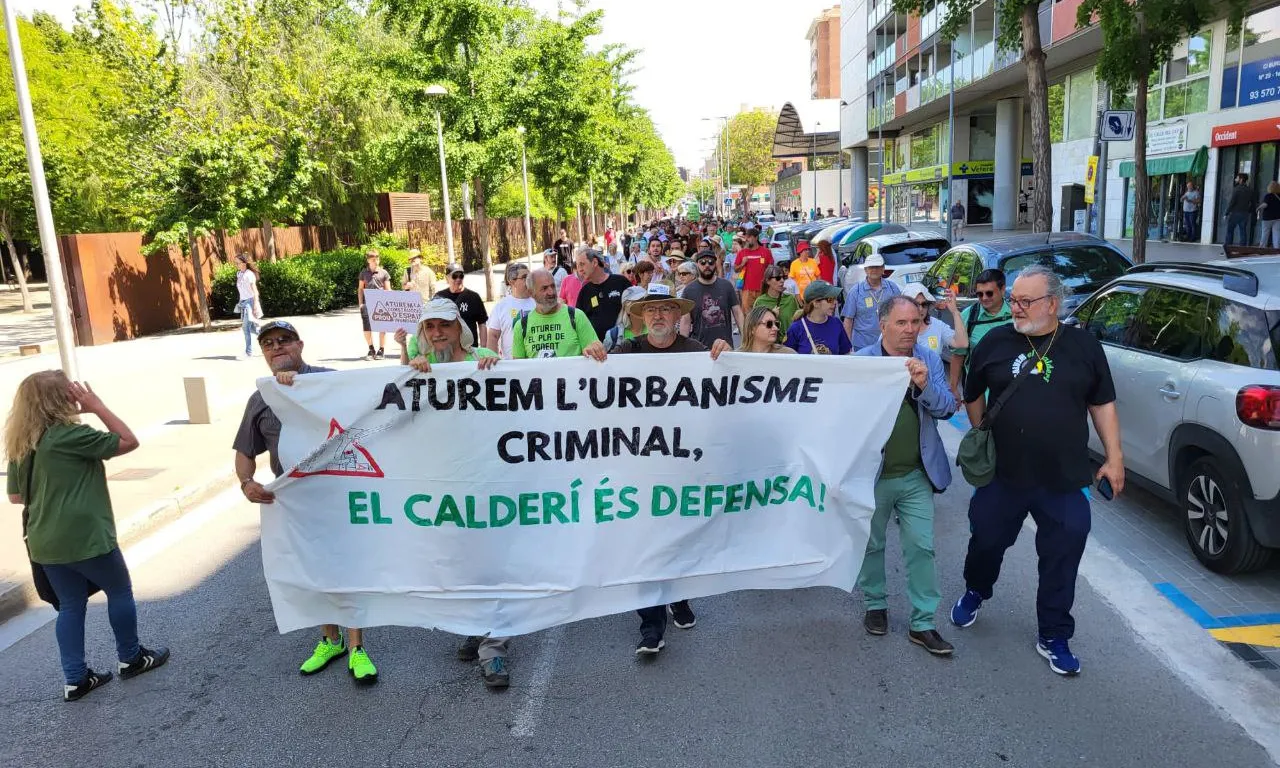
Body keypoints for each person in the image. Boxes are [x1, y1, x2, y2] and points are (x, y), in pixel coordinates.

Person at [950, 266, 1125, 677]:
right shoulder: (995, 341)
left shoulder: (1082, 346)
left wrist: (1114, 457)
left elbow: (1102, 404)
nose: (1015, 308)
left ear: (1053, 303)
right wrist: (983, 436)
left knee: (1063, 557)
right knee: (986, 542)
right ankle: (977, 589)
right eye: (1013, 300)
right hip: (1003, 476)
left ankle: (1054, 634)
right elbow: (973, 394)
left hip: (1063, 479)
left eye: (1025, 301)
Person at [6, 371, 167, 701]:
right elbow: (128, 441)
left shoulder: (21, 444)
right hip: (86, 537)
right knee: (119, 590)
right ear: (63, 399)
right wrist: (98, 406)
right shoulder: (71, 436)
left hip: (44, 541)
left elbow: (16, 497)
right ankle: (131, 657)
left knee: (70, 604)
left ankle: (76, 679)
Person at [234, 321, 380, 684]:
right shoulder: (261, 397)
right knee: (313, 572)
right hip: (295, 504)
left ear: (299, 344)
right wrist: (246, 482)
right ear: (263, 353)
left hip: (339, 497)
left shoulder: (329, 383)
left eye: (284, 340)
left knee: (347, 571)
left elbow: (377, 397)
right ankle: (330, 640)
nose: (277, 347)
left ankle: (358, 647)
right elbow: (244, 450)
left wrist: (412, 361)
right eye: (269, 344)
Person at [603, 283, 704, 656]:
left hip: (683, 466)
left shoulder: (697, 353)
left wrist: (725, 356)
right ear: (641, 319)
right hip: (639, 467)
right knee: (644, 544)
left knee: (678, 538)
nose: (658, 316)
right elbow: (598, 383)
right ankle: (651, 626)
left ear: (678, 316)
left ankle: (678, 596)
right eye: (650, 311)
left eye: (665, 309)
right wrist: (592, 355)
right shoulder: (626, 351)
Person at [854, 296, 957, 656]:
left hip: (916, 475)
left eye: (915, 322)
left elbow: (946, 407)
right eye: (901, 323)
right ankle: (875, 605)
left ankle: (923, 623)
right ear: (882, 325)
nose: (910, 329)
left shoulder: (928, 358)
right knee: (872, 544)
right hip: (874, 476)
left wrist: (924, 386)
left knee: (922, 548)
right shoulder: (860, 364)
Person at [512, 269, 605, 359]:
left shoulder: (576, 316)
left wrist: (594, 349)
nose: (551, 292)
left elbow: (595, 350)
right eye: (544, 288)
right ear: (531, 292)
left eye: (552, 286)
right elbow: (518, 368)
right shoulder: (521, 326)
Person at [902, 283, 969, 397]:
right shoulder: (894, 327)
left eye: (924, 304)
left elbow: (962, 343)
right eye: (916, 304)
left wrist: (954, 311)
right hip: (904, 392)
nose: (921, 309)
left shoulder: (937, 325)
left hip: (932, 392)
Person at [954, 269, 1013, 395]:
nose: (984, 298)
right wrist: (953, 389)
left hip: (1011, 391)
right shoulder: (968, 316)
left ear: (1002, 290)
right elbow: (958, 355)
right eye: (980, 294)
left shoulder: (1016, 314)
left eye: (989, 293)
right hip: (980, 395)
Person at [399, 297, 500, 367]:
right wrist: (412, 370)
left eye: (445, 325)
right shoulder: (423, 364)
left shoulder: (484, 356)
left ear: (460, 326)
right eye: (429, 326)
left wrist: (498, 367)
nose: (437, 333)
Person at [680, 249, 743, 348]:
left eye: (711, 262)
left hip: (725, 347)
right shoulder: (689, 290)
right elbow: (685, 321)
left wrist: (745, 338)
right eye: (703, 262)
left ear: (715, 264)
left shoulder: (726, 286)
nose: (707, 266)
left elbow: (738, 313)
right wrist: (682, 347)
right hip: (699, 348)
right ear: (697, 264)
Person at [842, 253, 901, 350]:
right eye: (871, 267)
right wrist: (847, 347)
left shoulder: (893, 288)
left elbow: (900, 315)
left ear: (883, 269)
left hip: (888, 344)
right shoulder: (855, 291)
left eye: (877, 267)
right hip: (862, 345)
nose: (874, 270)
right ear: (865, 270)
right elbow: (848, 321)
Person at [575, 248, 633, 340]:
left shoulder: (621, 282)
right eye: (577, 266)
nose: (579, 270)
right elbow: (578, 323)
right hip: (596, 349)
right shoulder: (584, 292)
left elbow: (636, 313)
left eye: (582, 264)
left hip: (623, 347)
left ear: (594, 262)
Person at [786, 280, 853, 355]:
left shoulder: (836, 323)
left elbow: (845, 354)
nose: (835, 302)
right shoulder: (796, 328)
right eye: (830, 299)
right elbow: (788, 360)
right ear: (816, 303)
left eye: (835, 298)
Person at [484, 262, 535, 359]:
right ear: (512, 281)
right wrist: (492, 358)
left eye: (530, 276)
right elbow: (493, 336)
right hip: (511, 366)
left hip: (536, 363)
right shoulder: (501, 306)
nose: (529, 280)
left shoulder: (538, 302)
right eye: (524, 277)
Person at [434, 262, 489, 349]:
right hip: (448, 348)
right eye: (455, 276)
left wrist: (483, 348)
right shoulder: (440, 297)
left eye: (461, 276)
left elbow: (482, 323)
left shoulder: (473, 297)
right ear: (447, 278)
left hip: (470, 348)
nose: (458, 279)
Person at [709, 304, 796, 358]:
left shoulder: (788, 355)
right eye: (769, 324)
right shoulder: (737, 357)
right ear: (752, 329)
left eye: (776, 324)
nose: (776, 328)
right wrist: (724, 355)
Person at [752, 264, 802, 343]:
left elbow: (799, 323)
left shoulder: (790, 299)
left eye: (783, 278)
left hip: (790, 344)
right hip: (770, 345)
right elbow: (755, 327)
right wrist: (772, 316)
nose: (782, 281)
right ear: (768, 281)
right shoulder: (760, 302)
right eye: (778, 278)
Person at [358, 249, 390, 360]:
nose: (376, 261)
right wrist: (361, 303)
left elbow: (388, 290)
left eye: (377, 258)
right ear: (368, 260)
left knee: (382, 327)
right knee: (367, 327)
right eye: (373, 259)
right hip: (367, 303)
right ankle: (371, 349)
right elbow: (361, 289)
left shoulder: (384, 273)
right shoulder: (363, 273)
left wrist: (389, 303)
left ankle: (381, 350)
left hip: (381, 303)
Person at [733, 225, 774, 311]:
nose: (747, 240)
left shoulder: (766, 252)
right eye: (746, 237)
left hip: (763, 290)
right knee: (748, 316)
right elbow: (736, 269)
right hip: (747, 290)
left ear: (756, 237)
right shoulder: (742, 253)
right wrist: (742, 264)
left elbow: (771, 270)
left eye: (749, 237)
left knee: (763, 314)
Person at [234, 254, 262, 358]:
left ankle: (248, 352)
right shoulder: (239, 274)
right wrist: (240, 303)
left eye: (238, 263)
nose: (236, 265)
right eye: (235, 263)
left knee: (245, 328)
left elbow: (255, 291)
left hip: (250, 302)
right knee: (250, 328)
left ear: (244, 263)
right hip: (244, 302)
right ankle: (265, 336)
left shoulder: (249, 274)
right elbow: (242, 291)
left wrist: (255, 304)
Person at [604, 285, 648, 351]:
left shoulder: (656, 329)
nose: (643, 306)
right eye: (638, 302)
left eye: (645, 302)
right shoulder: (613, 335)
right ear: (626, 308)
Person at [1224, 173, 1255, 246]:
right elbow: (1253, 202)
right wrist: (1249, 211)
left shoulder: (1237, 189)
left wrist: (1226, 213)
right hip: (1245, 213)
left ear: (1241, 180)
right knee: (1243, 231)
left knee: (1230, 231)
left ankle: (1228, 248)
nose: (1235, 179)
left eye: (1237, 178)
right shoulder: (1250, 190)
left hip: (1235, 213)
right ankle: (1242, 249)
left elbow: (1232, 202)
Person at [1258, 181, 1280, 248]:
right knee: (1276, 235)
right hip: (1278, 218)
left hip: (1267, 218)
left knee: (1265, 234)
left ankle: (1262, 248)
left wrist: (1258, 208)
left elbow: (1265, 204)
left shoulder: (1268, 196)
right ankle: (1277, 250)